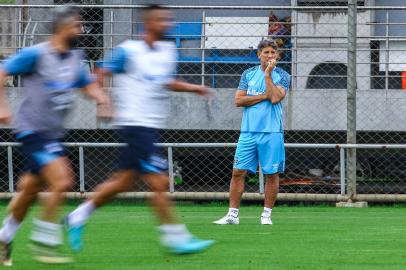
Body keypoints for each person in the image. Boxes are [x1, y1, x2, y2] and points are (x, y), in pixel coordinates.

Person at [64, 4, 215, 255]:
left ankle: (76, 217)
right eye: (161, 20)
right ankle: (175, 237)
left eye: (168, 19)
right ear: (148, 23)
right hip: (135, 125)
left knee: (123, 182)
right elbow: (99, 75)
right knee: (159, 181)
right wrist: (103, 101)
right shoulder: (128, 51)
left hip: (151, 126)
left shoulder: (167, 50)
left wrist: (193, 88)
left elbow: (164, 82)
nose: (167, 24)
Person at [0, 6, 109, 264]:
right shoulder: (35, 55)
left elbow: (85, 83)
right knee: (62, 181)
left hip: (54, 134)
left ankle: (4, 237)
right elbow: (2, 71)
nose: (81, 30)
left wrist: (100, 97)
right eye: (77, 26)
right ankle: (45, 241)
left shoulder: (74, 57)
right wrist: (2, 106)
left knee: (28, 192)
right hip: (33, 131)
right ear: (62, 27)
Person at [213, 39, 290, 225]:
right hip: (248, 132)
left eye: (273, 53)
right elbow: (239, 100)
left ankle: (266, 215)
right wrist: (263, 95)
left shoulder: (283, 75)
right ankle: (232, 215)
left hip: (272, 132)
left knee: (271, 174)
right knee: (238, 172)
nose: (270, 56)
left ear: (278, 55)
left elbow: (275, 98)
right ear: (259, 55)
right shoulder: (248, 74)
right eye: (266, 53)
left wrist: (268, 76)